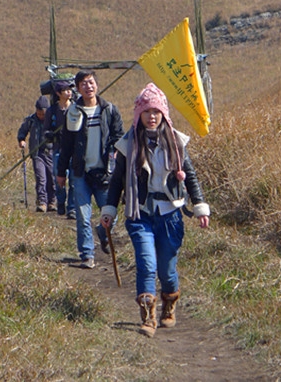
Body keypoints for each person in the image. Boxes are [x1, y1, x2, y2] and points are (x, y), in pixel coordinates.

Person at [100, 83, 210, 338]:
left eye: (156, 111)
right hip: (140, 214)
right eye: (147, 111)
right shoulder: (127, 145)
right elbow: (117, 182)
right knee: (146, 264)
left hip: (170, 214)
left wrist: (200, 206)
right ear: (139, 115)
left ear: (163, 114)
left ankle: (169, 303)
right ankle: (148, 316)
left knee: (166, 269)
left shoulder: (177, 142)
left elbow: (190, 176)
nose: (151, 116)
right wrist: (109, 210)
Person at [57, 70, 124, 269]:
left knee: (111, 215)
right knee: (82, 215)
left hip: (104, 172)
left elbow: (119, 137)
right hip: (80, 172)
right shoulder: (74, 112)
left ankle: (102, 233)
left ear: (97, 85)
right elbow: (66, 144)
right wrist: (61, 173)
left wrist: (116, 157)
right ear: (77, 88)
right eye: (83, 83)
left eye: (91, 82)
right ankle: (87, 254)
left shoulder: (109, 110)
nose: (88, 86)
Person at [18, 95, 57, 212]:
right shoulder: (31, 120)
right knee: (41, 178)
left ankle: (52, 201)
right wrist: (21, 140)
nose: (41, 116)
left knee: (52, 177)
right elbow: (22, 131)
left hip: (50, 152)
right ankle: (42, 201)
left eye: (43, 114)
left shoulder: (53, 120)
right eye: (39, 113)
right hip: (37, 153)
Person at [45, 80, 76, 219]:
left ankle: (72, 208)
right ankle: (61, 201)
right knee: (59, 179)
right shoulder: (52, 111)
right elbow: (46, 130)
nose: (69, 92)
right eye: (65, 90)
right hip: (58, 149)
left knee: (75, 181)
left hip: (74, 150)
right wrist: (49, 135)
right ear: (58, 93)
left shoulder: (75, 109)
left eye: (70, 89)